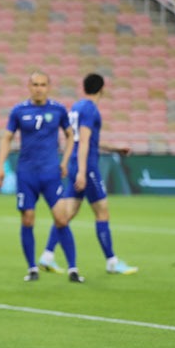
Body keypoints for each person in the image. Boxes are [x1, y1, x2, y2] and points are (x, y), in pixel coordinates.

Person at [37, 73, 138, 275]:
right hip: (87, 167)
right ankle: (112, 261)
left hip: (75, 163)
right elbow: (83, 141)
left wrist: (114, 148)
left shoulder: (77, 107)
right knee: (102, 212)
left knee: (66, 214)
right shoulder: (91, 109)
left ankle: (47, 256)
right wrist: (83, 172)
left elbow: (87, 140)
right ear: (102, 88)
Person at [0, 71, 84, 283]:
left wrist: (64, 161)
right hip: (26, 174)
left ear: (48, 86)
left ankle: (73, 268)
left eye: (42, 84)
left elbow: (71, 135)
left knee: (62, 219)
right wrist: (0, 167)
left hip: (51, 173)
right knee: (27, 219)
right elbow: (7, 138)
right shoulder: (19, 111)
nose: (38, 88)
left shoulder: (58, 109)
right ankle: (32, 267)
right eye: (35, 84)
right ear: (29, 86)